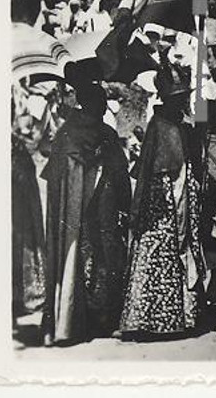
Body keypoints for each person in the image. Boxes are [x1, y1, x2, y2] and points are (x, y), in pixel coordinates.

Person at [40, 83, 131, 346]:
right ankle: (95, 316)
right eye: (98, 102)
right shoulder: (80, 134)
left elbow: (120, 172)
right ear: (88, 103)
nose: (102, 107)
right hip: (88, 210)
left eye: (103, 102)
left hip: (94, 208)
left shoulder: (80, 133)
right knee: (94, 256)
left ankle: (91, 316)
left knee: (96, 257)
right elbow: (120, 174)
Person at [120, 62, 206, 339]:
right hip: (163, 199)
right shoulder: (159, 125)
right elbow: (151, 167)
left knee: (183, 247)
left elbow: (193, 156)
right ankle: (151, 317)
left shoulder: (183, 124)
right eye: (178, 98)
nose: (182, 102)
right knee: (160, 247)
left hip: (182, 195)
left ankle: (184, 314)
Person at [11, 99, 46, 321]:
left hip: (22, 183)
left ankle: (19, 296)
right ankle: (20, 296)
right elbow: (35, 142)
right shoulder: (15, 143)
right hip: (18, 186)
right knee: (20, 237)